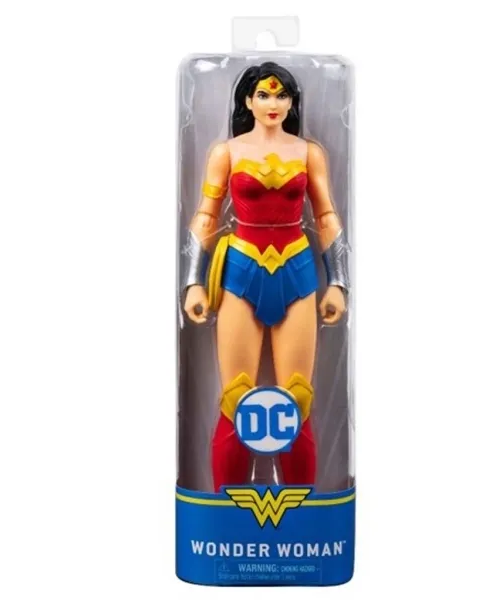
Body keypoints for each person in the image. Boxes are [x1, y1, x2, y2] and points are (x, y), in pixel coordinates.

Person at [182, 61, 351, 492]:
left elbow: (326, 215)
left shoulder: (308, 153)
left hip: (296, 271)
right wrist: (193, 281)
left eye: (281, 95)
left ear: (292, 101)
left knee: (297, 398)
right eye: (263, 94)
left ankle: (302, 508)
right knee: (236, 397)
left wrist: (338, 282)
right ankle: (225, 508)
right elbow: (206, 216)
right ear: (248, 101)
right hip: (241, 272)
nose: (273, 103)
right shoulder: (227, 153)